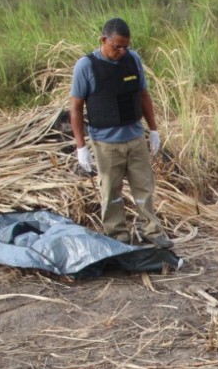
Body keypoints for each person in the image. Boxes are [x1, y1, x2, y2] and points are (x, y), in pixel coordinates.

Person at [70, 17, 174, 249]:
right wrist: (81, 148)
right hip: (105, 143)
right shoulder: (86, 67)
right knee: (111, 192)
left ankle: (152, 231)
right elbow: (76, 108)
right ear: (103, 40)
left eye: (125, 46)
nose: (121, 51)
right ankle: (118, 236)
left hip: (135, 138)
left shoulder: (133, 60)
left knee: (144, 188)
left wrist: (154, 130)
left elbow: (143, 95)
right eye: (116, 46)